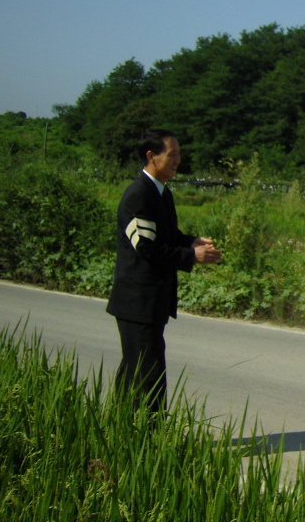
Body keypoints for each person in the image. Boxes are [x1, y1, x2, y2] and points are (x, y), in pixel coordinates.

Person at [107, 129, 222, 412]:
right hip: (138, 302)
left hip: (151, 301)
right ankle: (148, 438)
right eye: (172, 155)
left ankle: (123, 430)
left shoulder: (161, 193)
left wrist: (190, 242)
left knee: (137, 367)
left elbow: (167, 237)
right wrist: (191, 255)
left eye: (179, 155)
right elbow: (146, 249)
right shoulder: (138, 195)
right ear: (151, 156)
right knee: (148, 373)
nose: (177, 161)